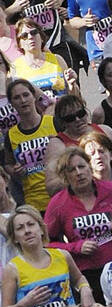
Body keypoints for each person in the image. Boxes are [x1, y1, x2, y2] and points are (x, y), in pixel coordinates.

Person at [44, 146, 112, 306]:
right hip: (86, 275)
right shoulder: (58, 204)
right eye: (72, 170)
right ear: (65, 176)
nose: (78, 173)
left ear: (89, 167)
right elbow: (45, 244)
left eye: (82, 166)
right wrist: (75, 247)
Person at [4, 78, 58, 214]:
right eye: (17, 97)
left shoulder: (53, 123)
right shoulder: (11, 135)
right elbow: (8, 164)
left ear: (34, 96)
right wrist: (15, 170)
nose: (23, 100)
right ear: (11, 104)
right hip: (34, 203)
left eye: (26, 95)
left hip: (60, 196)